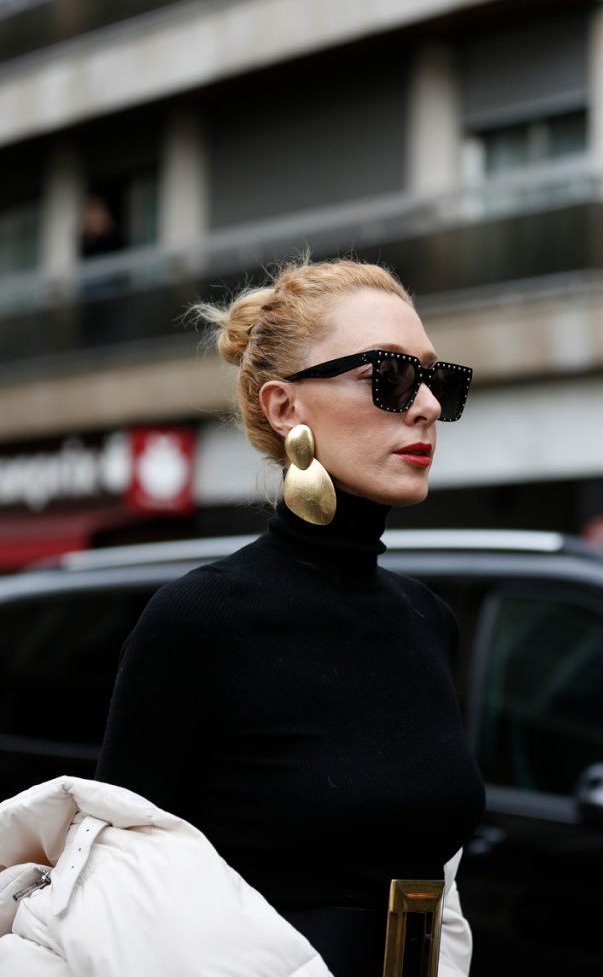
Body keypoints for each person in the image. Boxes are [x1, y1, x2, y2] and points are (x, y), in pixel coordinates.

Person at [95, 258, 485, 976]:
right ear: (284, 407)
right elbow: (118, 892)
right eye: (391, 376)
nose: (427, 405)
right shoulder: (204, 617)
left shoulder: (426, 618)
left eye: (438, 380)